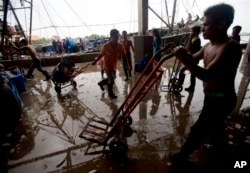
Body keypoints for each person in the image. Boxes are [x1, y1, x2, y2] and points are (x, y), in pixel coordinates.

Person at [171, 3, 242, 168]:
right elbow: (193, 58)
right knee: (216, 127)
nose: (202, 29)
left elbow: (206, 75)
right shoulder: (208, 46)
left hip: (222, 99)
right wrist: (183, 53)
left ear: (221, 24)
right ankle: (220, 151)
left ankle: (182, 156)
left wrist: (183, 59)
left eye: (206, 25)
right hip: (211, 97)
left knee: (199, 129)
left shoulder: (230, 47)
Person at [92, 29, 127, 99]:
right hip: (107, 65)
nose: (117, 39)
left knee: (113, 78)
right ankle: (111, 94)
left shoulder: (120, 46)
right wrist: (95, 61)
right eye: (115, 38)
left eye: (118, 37)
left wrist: (127, 65)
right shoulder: (105, 46)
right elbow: (101, 55)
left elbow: (124, 55)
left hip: (113, 65)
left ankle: (101, 83)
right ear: (111, 37)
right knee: (111, 80)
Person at [177, 25, 201, 92]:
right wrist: (188, 38)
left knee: (182, 70)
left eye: (192, 31)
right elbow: (187, 47)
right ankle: (191, 87)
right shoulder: (194, 38)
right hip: (190, 58)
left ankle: (180, 84)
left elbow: (190, 47)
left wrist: (190, 38)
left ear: (195, 32)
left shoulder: (197, 40)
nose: (190, 32)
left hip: (193, 59)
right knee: (192, 74)